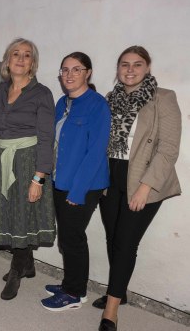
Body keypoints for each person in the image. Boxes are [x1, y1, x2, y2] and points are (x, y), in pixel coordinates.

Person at [95, 46, 181, 331]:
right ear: (118, 69)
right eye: (124, 64)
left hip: (144, 179)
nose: (130, 70)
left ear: (148, 67)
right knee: (113, 239)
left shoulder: (163, 98)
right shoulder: (110, 98)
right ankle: (120, 292)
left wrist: (145, 187)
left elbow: (168, 150)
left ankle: (111, 310)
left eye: (137, 64)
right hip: (112, 175)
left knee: (126, 243)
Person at [39, 52, 111, 311]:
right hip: (61, 180)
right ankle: (72, 282)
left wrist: (78, 191)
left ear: (88, 73)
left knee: (73, 238)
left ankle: (75, 293)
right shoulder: (62, 103)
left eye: (76, 69)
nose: (69, 75)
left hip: (84, 184)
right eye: (65, 70)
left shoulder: (97, 105)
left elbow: (95, 153)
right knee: (68, 237)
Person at [0, 38, 56, 301]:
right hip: (3, 159)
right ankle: (27, 264)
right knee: (12, 215)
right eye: (16, 54)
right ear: (8, 59)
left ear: (32, 63)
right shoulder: (1, 90)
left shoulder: (42, 93)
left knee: (23, 215)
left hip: (28, 161)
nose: (21, 59)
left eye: (27, 55)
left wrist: (39, 177)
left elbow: (47, 138)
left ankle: (17, 270)